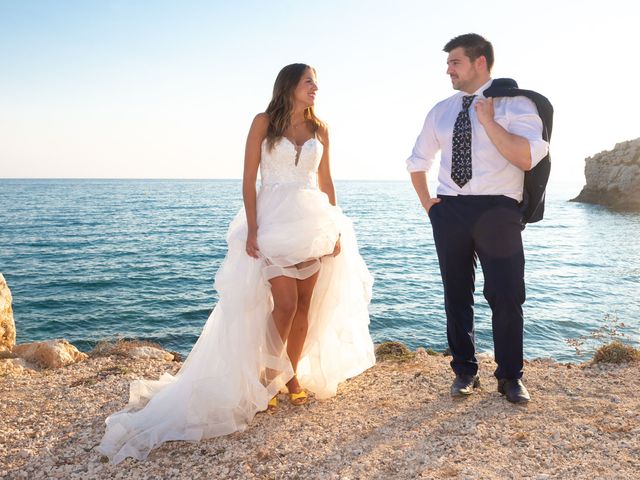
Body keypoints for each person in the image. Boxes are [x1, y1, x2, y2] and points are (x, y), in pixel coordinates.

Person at [98, 63, 376, 464]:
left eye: (316, 82)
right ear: (290, 86)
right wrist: (253, 229)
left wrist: (336, 228)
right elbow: (249, 180)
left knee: (303, 307)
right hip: (273, 221)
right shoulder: (264, 122)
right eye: (308, 81)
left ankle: (290, 376)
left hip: (313, 221)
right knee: (282, 305)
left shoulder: (321, 129)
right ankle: (266, 377)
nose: (316, 87)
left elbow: (327, 182)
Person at [407, 34, 549, 404]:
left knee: (506, 295)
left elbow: (526, 157)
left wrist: (488, 121)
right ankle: (465, 372)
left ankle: (510, 377)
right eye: (449, 63)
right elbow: (417, 162)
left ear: (480, 62)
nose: (449, 69)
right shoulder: (441, 109)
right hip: (450, 210)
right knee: (456, 295)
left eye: (455, 61)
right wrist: (431, 208)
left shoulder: (516, 105)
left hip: (498, 210)